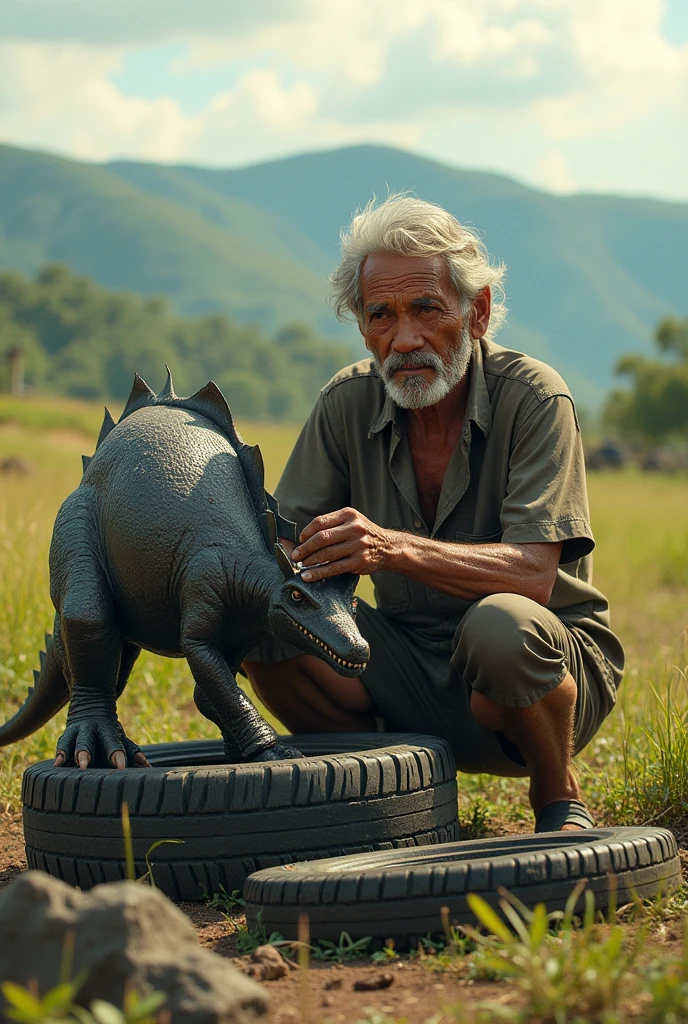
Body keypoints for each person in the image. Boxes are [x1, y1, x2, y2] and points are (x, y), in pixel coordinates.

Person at [243, 194, 624, 832]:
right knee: (265, 616)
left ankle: (558, 796)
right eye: (381, 315)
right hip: (403, 663)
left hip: (539, 666)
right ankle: (388, 793)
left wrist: (391, 548)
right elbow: (282, 552)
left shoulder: (535, 398)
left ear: (476, 313)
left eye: (426, 308)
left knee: (500, 627)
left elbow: (532, 575)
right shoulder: (347, 403)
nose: (405, 339)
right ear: (362, 326)